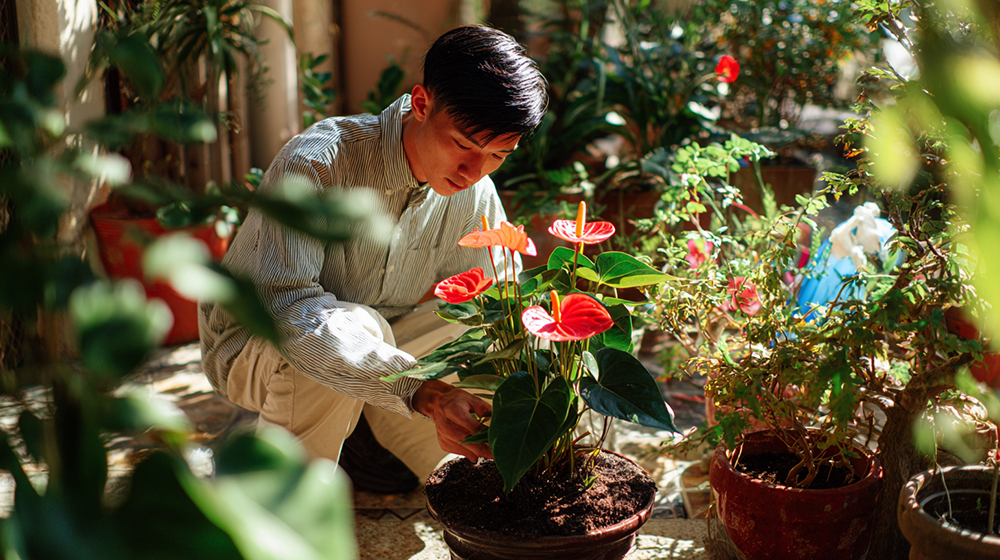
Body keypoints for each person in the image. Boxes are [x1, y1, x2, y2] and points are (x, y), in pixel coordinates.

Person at [198, 25, 548, 490]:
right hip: (258, 343)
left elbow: (501, 300)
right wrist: (422, 390)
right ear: (421, 104)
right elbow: (290, 317)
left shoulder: (475, 190)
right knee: (351, 329)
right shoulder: (318, 162)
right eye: (463, 144)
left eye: (498, 154)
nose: (474, 171)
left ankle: (483, 486)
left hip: (387, 334)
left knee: (507, 324)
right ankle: (281, 517)